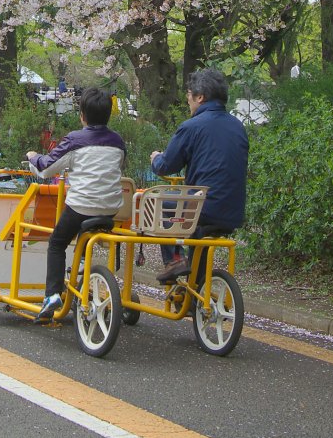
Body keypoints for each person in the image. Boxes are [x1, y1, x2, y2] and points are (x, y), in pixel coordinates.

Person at [34, 88, 127, 319]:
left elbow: (46, 168)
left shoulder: (75, 140)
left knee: (57, 242)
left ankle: (52, 294)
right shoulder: (118, 142)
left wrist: (32, 157)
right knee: (85, 235)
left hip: (81, 206)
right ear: (108, 115)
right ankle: (83, 272)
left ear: (82, 115)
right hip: (110, 208)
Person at [149, 68, 248, 285]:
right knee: (195, 223)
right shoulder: (238, 127)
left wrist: (156, 158)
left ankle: (174, 260)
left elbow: (166, 165)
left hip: (202, 208)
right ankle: (195, 290)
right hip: (233, 210)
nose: (188, 100)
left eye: (189, 95)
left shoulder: (192, 126)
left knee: (159, 202)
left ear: (200, 97)